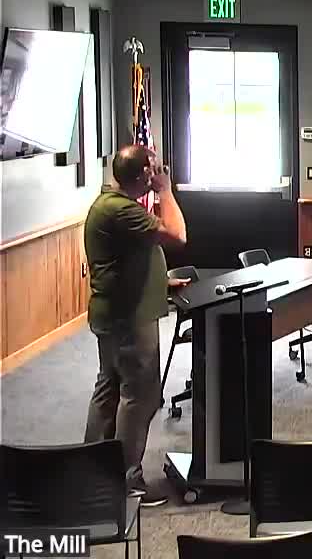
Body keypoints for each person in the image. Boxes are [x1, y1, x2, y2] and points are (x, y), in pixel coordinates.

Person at [84, 145, 188, 507]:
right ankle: (127, 480)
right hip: (130, 319)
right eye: (154, 167)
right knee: (139, 397)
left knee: (110, 390)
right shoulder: (121, 209)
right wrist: (166, 191)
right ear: (144, 173)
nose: (158, 171)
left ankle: (93, 470)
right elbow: (177, 235)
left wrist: (161, 281)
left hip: (116, 315)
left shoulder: (111, 204)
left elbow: (129, 257)